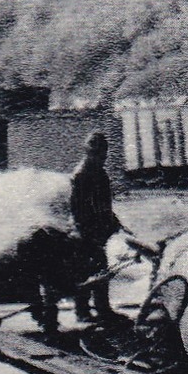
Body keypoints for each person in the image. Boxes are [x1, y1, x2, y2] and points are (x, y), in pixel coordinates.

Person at [68, 131, 127, 325]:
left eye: (104, 154)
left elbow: (103, 204)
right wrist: (88, 231)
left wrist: (113, 221)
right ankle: (82, 311)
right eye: (100, 153)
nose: (103, 157)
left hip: (99, 228)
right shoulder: (82, 174)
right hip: (86, 231)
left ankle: (102, 309)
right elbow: (78, 209)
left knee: (100, 269)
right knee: (86, 271)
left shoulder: (98, 171)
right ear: (90, 152)